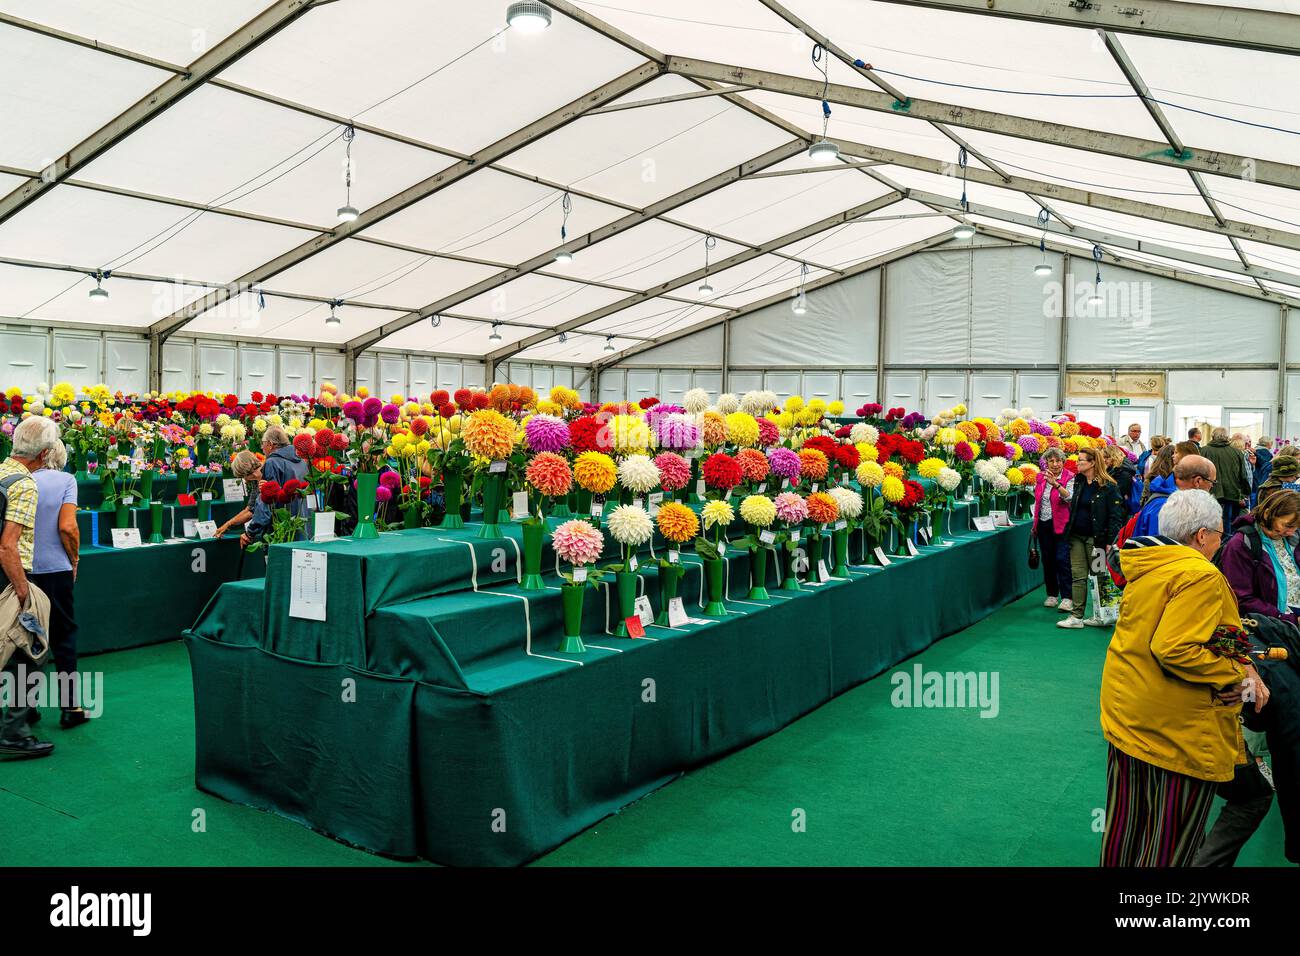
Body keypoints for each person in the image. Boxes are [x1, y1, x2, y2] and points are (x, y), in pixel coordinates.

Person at [1099, 489, 1269, 867]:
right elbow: (1174, 649)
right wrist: (1235, 674)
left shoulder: (1149, 561)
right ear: (1201, 536)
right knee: (1168, 845)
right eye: (1220, 534)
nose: (1221, 542)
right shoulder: (1199, 575)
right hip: (1173, 730)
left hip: (1130, 712)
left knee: (1126, 832)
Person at [0, 417, 59, 759]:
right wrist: (24, 593)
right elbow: (8, 545)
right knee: (32, 650)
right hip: (10, 576)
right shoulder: (24, 484)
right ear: (45, 453)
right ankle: (15, 733)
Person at [29, 440, 87, 728]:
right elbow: (68, 526)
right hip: (56, 569)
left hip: (24, 568)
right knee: (63, 637)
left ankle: (26, 708)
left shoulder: (22, 479)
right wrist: (74, 558)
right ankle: (70, 707)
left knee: (25, 639)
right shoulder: (67, 480)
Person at [1058, 446, 1127, 629]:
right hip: (1076, 536)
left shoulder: (1109, 486)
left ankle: (1103, 615)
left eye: (1081, 460)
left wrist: (1110, 542)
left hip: (1097, 540)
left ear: (1093, 463)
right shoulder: (1079, 481)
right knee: (1078, 576)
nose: (1077, 463)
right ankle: (1076, 616)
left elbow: (1116, 516)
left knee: (1099, 576)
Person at [1219, 489, 1300, 625]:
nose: (1291, 532)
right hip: (1273, 624)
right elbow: (1241, 599)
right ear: (1268, 514)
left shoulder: (1293, 538)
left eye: (1296, 527)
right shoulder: (1241, 544)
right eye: (1287, 526)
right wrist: (1288, 619)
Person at [242, 427, 307, 548]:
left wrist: (250, 531)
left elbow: (266, 501)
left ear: (270, 444)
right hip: (302, 527)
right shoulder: (301, 461)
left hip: (282, 532)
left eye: (263, 444)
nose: (261, 447)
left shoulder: (272, 462)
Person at [1032, 447, 1073, 611]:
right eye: (1051, 461)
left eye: (1058, 461)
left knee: (1062, 560)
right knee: (1047, 560)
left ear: (1063, 462)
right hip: (1043, 524)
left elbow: (1069, 497)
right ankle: (1052, 594)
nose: (1055, 464)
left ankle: (1067, 597)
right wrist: (1034, 525)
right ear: (1046, 463)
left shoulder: (1069, 477)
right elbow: (1038, 501)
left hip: (1062, 525)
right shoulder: (1040, 477)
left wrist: (1055, 484)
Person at [1202, 427, 1252, 533]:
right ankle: (1226, 545)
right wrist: (1245, 493)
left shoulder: (1204, 451)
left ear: (1212, 437)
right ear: (1227, 438)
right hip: (1231, 493)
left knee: (1208, 522)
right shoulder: (1236, 453)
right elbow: (1243, 475)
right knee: (1228, 522)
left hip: (1209, 492)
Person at [220, 450, 262, 539]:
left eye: (243, 476)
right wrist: (227, 524)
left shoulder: (267, 474)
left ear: (246, 471)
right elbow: (249, 508)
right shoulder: (255, 481)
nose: (245, 480)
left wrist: (228, 524)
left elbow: (251, 512)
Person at [1104, 445, 1137, 513]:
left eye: (1107, 457)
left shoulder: (1124, 471)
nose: (1104, 460)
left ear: (1114, 456)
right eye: (1103, 457)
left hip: (1119, 508)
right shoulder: (1114, 469)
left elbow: (1119, 492)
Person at [1253, 436, 1275, 500]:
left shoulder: (1256, 449)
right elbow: (1267, 464)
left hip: (1255, 476)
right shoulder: (1264, 451)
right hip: (1261, 476)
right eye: (1271, 443)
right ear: (1268, 444)